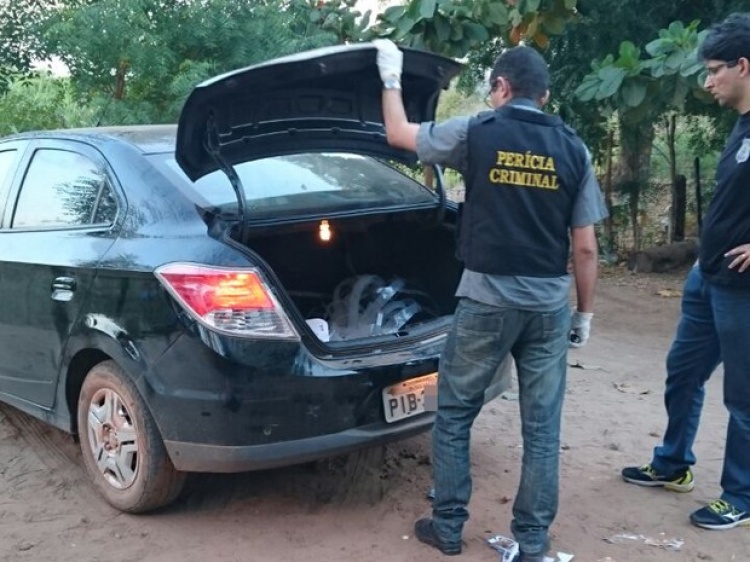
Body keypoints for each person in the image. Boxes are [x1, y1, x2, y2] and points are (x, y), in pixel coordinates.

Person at [373, 40, 607, 560]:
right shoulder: (574, 147)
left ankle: (449, 527)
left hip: (485, 300)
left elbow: (397, 134)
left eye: (492, 88)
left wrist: (391, 77)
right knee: (543, 428)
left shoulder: (478, 131)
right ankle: (532, 541)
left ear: (502, 87)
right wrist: (584, 315)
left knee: (455, 415)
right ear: (544, 96)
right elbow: (585, 247)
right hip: (548, 307)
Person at [621, 13, 750, 531]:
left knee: (743, 397)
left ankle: (740, 494)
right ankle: (673, 464)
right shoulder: (741, 124)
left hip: (743, 290)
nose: (708, 80)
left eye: (715, 69)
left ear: (744, 65)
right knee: (683, 373)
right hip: (707, 278)